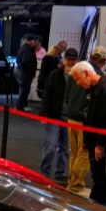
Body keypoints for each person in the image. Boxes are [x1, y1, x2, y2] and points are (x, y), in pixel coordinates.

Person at [72, 60, 106, 204]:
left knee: (98, 174)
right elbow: (89, 115)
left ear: (87, 74)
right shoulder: (92, 88)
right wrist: (86, 139)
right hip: (92, 139)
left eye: (78, 79)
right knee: (96, 173)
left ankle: (100, 203)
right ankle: (98, 202)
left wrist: (100, 144)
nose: (77, 83)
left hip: (99, 141)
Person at [39, 47, 76, 183]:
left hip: (70, 118)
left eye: (73, 59)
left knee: (65, 148)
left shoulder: (78, 77)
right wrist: (44, 114)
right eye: (68, 59)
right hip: (54, 116)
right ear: (64, 59)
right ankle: (44, 173)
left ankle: (60, 172)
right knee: (51, 145)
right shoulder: (54, 75)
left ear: (76, 60)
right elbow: (46, 94)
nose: (70, 62)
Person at [64, 56, 92, 193]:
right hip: (82, 120)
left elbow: (67, 97)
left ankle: (72, 182)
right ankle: (75, 184)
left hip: (71, 117)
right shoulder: (89, 78)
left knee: (75, 153)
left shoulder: (72, 76)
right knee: (83, 153)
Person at [14, 33, 38, 111]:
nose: (35, 43)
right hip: (25, 72)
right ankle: (19, 106)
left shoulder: (23, 48)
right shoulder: (27, 50)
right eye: (34, 41)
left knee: (24, 89)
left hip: (22, 71)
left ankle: (23, 105)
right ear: (31, 42)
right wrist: (30, 69)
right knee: (24, 90)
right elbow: (25, 62)